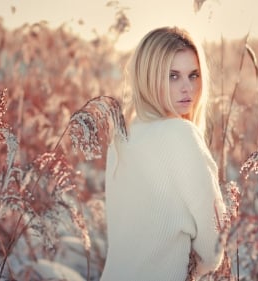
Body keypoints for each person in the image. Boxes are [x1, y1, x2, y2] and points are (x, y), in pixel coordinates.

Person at [101, 26, 227, 281]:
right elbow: (214, 247)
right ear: (149, 77)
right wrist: (199, 267)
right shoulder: (180, 134)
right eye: (172, 76)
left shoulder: (121, 139)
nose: (187, 88)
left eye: (193, 75)